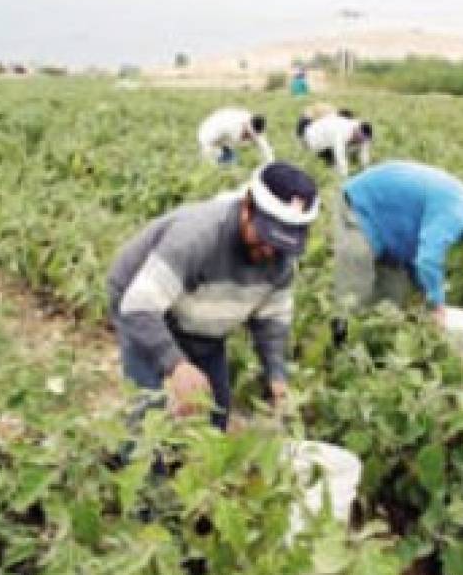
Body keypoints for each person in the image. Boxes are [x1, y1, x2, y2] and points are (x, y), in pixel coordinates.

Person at [109, 161, 320, 430]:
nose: (270, 251)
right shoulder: (198, 236)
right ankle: (141, 466)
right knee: (152, 417)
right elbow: (138, 308)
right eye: (266, 236)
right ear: (246, 207)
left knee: (215, 413)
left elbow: (272, 322)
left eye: (282, 243)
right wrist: (176, 365)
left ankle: (193, 468)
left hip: (200, 322)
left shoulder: (281, 258)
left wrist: (276, 377)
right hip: (143, 307)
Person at [334, 160, 463, 321]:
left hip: (392, 231)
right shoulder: (459, 211)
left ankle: (370, 350)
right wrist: (437, 305)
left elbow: (420, 253)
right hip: (362, 207)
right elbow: (428, 259)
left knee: (391, 301)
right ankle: (339, 346)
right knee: (355, 292)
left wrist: (425, 290)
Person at [298, 110, 375, 177]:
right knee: (333, 164)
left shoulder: (364, 136)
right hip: (314, 136)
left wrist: (366, 169)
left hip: (328, 133)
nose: (360, 141)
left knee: (351, 152)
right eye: (359, 139)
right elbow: (339, 154)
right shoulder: (342, 130)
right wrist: (345, 174)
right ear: (356, 131)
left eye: (362, 140)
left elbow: (364, 154)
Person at [197, 106, 274, 166]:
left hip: (225, 140)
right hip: (208, 135)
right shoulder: (228, 125)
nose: (248, 138)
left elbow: (264, 147)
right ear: (244, 125)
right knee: (218, 162)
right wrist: (210, 161)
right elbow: (207, 143)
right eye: (247, 134)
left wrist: (271, 164)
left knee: (232, 160)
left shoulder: (256, 127)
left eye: (251, 137)